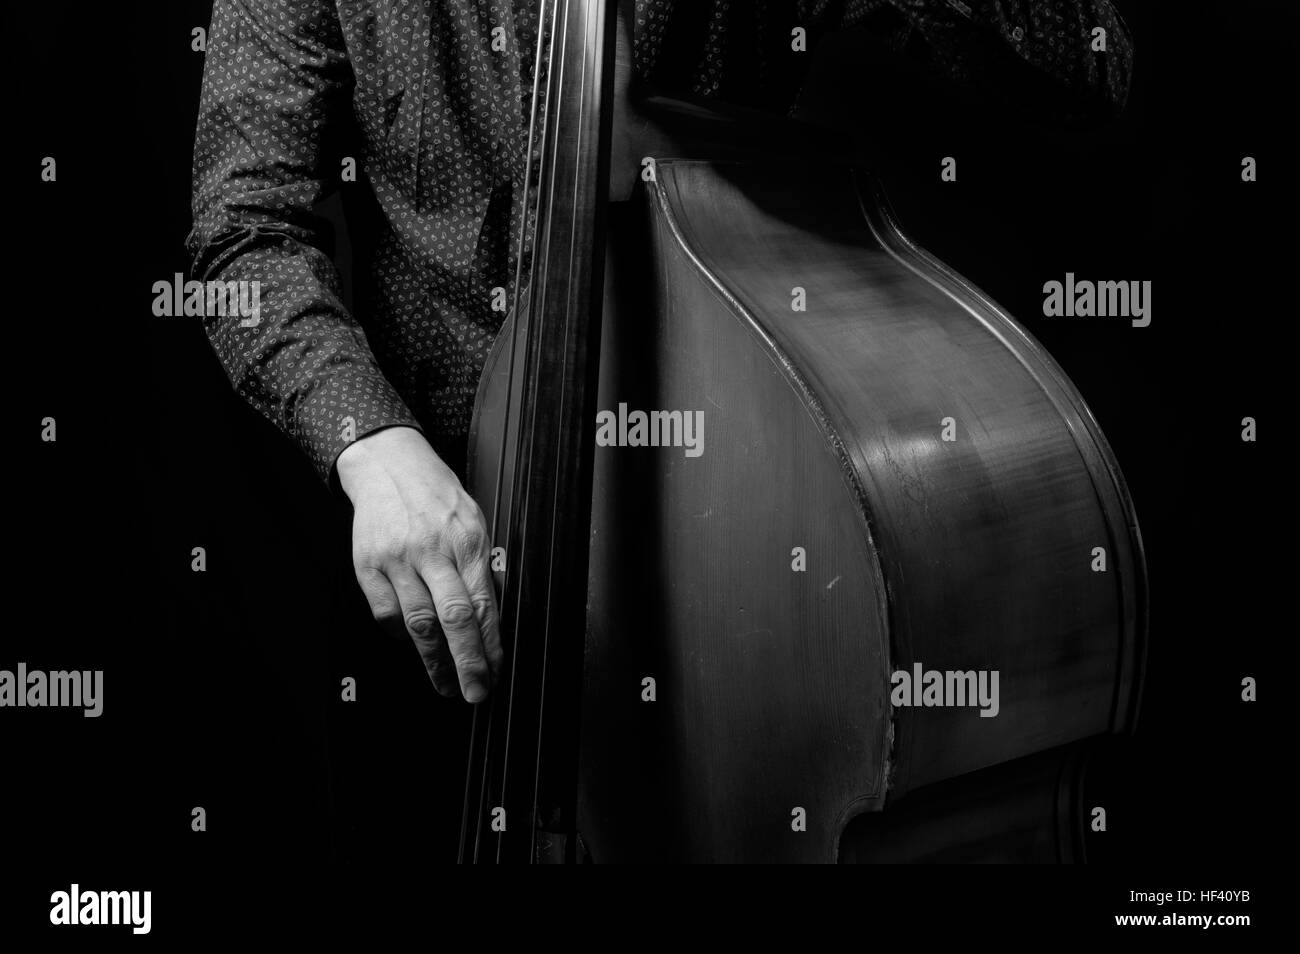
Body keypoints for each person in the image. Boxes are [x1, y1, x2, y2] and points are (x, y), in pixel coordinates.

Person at [187, 0, 1132, 705]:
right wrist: (369, 442)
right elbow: (242, 231)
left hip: (741, 547)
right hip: (434, 558)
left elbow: (1089, 70)